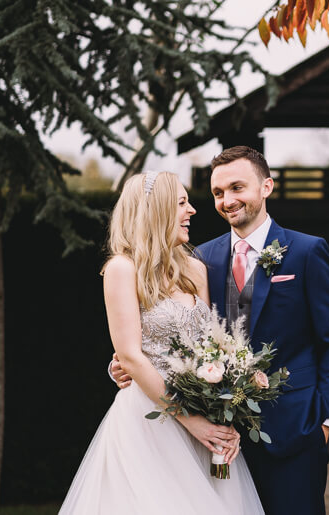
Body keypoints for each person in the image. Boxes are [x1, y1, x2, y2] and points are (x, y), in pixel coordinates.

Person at [111, 147, 329, 515]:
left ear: (266, 186)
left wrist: (325, 422)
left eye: (237, 187)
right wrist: (125, 363)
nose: (227, 200)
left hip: (295, 430)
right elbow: (178, 335)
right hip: (216, 437)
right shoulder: (200, 259)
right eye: (219, 192)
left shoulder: (307, 252)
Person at [61, 171, 264, 514]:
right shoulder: (121, 269)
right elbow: (130, 355)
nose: (192, 211)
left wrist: (224, 406)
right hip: (150, 422)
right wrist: (190, 420)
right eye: (182, 202)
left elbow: (210, 346)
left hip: (203, 417)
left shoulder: (194, 269)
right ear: (156, 210)